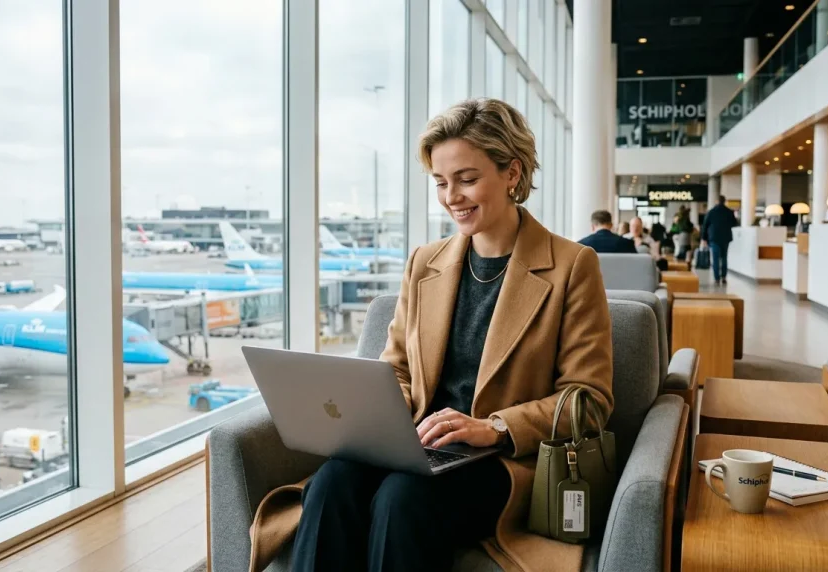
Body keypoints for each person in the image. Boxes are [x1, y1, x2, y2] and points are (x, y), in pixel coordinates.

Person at [260, 98, 614, 572]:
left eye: (467, 179)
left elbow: (588, 400)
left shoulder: (572, 266)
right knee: (331, 483)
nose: (452, 197)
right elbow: (398, 369)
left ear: (512, 173)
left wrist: (494, 427)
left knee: (401, 498)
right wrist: (382, 416)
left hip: (501, 463)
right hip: (419, 446)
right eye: (441, 183)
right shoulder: (425, 262)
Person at [701, 195, 737, 285]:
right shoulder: (729, 212)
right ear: (724, 201)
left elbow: (705, 226)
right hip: (726, 238)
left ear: (717, 201)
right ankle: (724, 277)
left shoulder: (711, 212)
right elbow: (734, 223)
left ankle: (717, 278)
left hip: (714, 238)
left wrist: (704, 238)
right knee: (724, 257)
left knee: (715, 259)